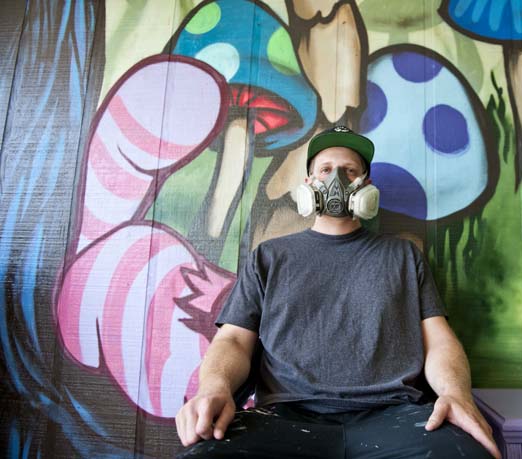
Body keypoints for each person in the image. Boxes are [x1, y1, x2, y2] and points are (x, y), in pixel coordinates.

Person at [175, 126, 501, 459]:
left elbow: (440, 341)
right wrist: (214, 388)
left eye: (349, 171)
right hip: (284, 417)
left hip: (394, 415)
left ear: (366, 187)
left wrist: (456, 394)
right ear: (308, 185)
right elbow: (232, 340)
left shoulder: (403, 256)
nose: (337, 180)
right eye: (326, 170)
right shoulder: (269, 256)